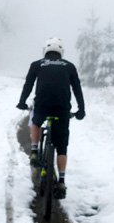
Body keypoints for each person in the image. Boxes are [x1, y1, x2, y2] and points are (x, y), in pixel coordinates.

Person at [16, 37, 85, 199]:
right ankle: (61, 181)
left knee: (36, 121)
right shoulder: (69, 66)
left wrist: (22, 102)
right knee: (62, 147)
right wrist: (81, 109)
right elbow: (77, 88)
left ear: (45, 51)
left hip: (42, 105)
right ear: (61, 52)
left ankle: (34, 151)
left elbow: (28, 84)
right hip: (62, 108)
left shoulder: (37, 64)